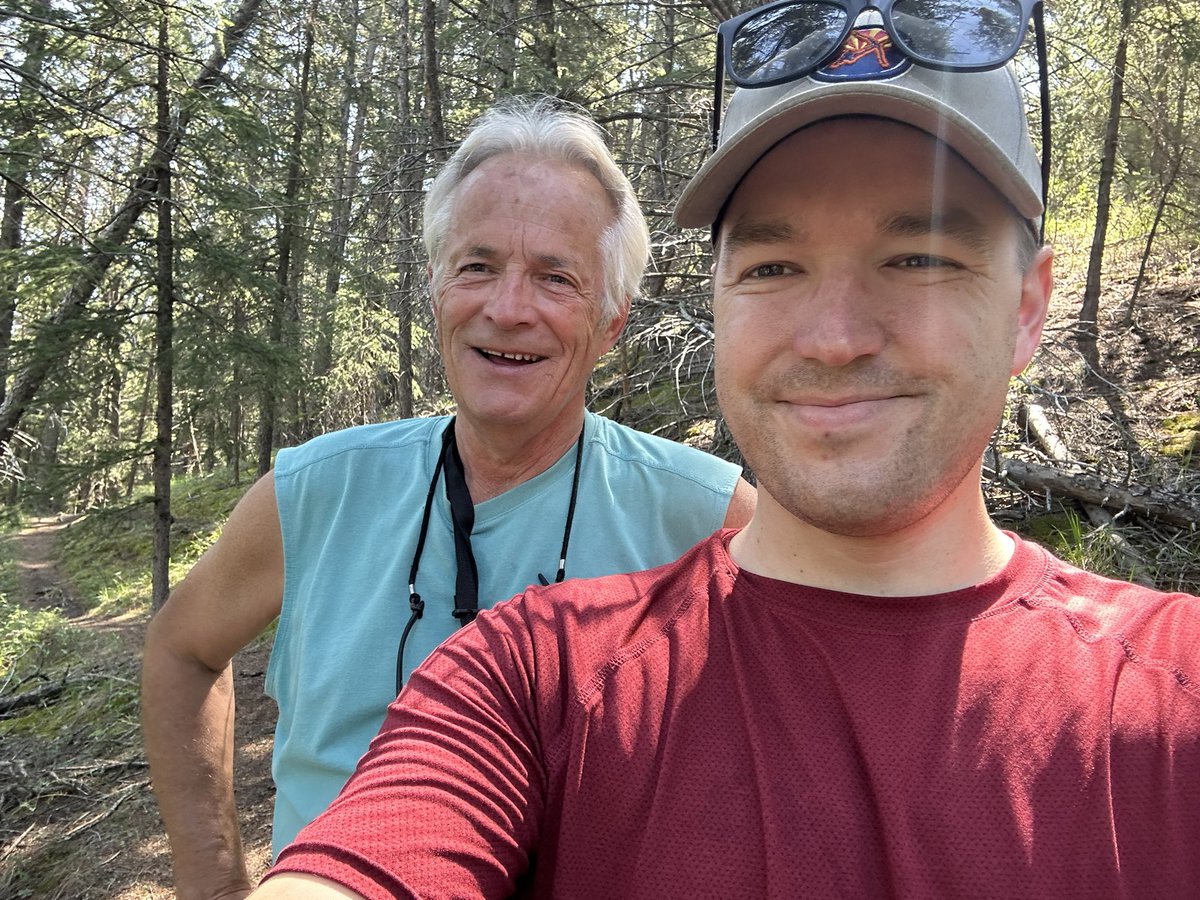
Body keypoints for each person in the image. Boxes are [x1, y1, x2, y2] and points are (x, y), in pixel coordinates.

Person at [251, 10, 1200, 900]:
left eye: (919, 258)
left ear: (1028, 306)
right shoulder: (527, 678)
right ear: (717, 302)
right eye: (773, 267)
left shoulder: (1171, 691)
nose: (833, 338)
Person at [141, 96, 756, 900]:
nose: (508, 307)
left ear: (610, 324)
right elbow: (180, 652)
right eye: (477, 265)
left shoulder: (706, 518)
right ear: (435, 291)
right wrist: (213, 880)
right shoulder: (312, 493)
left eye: (556, 277)